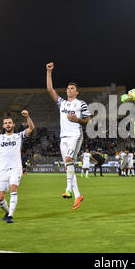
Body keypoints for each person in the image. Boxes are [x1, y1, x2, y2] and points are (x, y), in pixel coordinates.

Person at [46, 62, 90, 210]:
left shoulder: (81, 104)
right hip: (63, 137)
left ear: (77, 92)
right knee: (68, 166)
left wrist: (77, 119)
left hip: (75, 135)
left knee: (69, 160)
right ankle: (78, 195)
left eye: (72, 88)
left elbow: (88, 121)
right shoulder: (62, 103)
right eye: (68, 88)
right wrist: (49, 72)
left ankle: (68, 189)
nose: (69, 90)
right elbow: (50, 89)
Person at [0, 110, 35, 223]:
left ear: (13, 125)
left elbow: (31, 128)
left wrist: (28, 116)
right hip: (2, 170)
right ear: (3, 126)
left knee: (14, 189)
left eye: (10, 123)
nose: (8, 125)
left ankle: (10, 216)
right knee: (0, 198)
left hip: (15, 168)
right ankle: (7, 212)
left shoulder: (18, 136)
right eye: (6, 123)